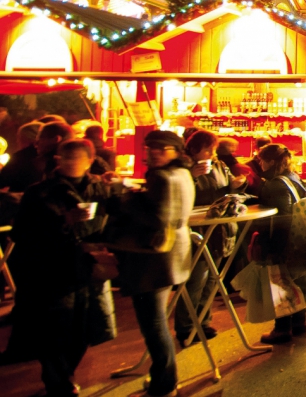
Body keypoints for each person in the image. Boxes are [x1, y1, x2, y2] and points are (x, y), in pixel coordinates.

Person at [11, 139, 119, 396]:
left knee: (83, 329)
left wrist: (118, 192)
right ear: (58, 160)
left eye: (76, 158)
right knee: (56, 328)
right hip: (53, 270)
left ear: (89, 161)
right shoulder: (40, 192)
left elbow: (116, 220)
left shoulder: (99, 188)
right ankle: (58, 381)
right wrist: (63, 221)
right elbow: (22, 233)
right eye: (65, 158)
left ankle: (66, 373)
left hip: (89, 269)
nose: (70, 163)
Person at [117, 130, 194, 397]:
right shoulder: (183, 173)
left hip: (154, 256)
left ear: (175, 151)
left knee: (153, 323)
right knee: (158, 319)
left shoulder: (160, 176)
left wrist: (126, 198)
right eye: (149, 148)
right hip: (175, 251)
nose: (153, 153)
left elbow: (158, 218)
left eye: (160, 149)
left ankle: (164, 383)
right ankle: (163, 378)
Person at [176, 129, 244, 345]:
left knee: (213, 278)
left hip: (219, 228)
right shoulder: (182, 168)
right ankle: (187, 327)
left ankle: (203, 321)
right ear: (194, 149)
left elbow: (226, 186)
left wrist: (236, 184)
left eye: (212, 150)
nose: (211, 154)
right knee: (196, 277)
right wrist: (190, 176)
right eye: (207, 150)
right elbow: (182, 196)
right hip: (199, 229)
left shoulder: (219, 165)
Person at [254, 144, 306, 344]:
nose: (259, 162)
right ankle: (298, 323)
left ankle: (282, 329)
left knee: (281, 283)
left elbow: (283, 215)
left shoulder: (277, 183)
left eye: (261, 159)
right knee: (298, 281)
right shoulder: (293, 177)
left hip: (284, 241)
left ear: (270, 162)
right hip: (300, 237)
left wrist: (272, 246)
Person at [0, 122, 71, 192]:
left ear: (56, 139)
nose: (36, 144)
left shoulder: (35, 162)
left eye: (40, 138)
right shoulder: (75, 161)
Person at [0, 122, 43, 192]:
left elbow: (2, 180)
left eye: (19, 138)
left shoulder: (20, 158)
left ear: (26, 139)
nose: (17, 141)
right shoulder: (50, 156)